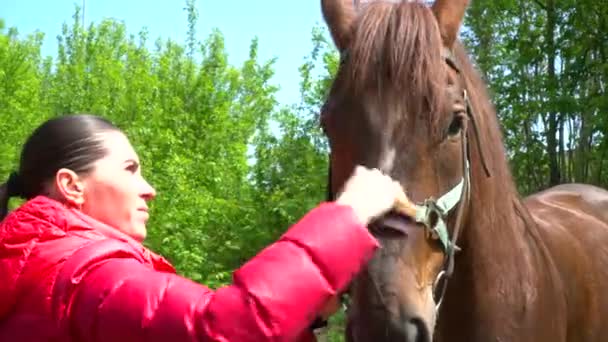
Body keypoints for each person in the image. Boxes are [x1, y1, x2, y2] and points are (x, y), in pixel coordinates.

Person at [0, 114, 405, 342]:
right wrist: (349, 213)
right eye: (130, 170)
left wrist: (300, 316)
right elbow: (224, 329)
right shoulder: (84, 275)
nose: (149, 189)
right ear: (72, 185)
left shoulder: (38, 270)